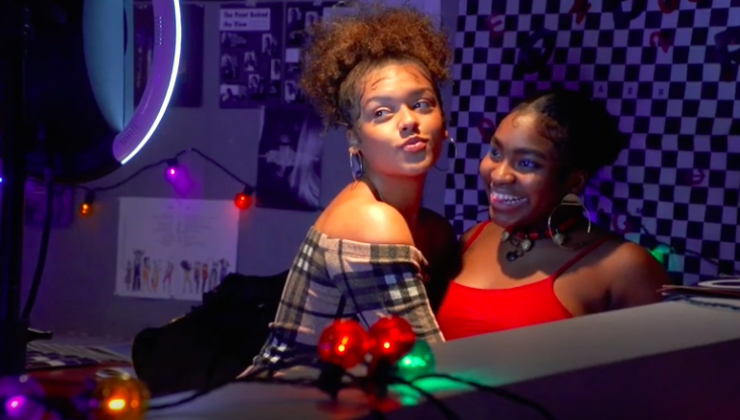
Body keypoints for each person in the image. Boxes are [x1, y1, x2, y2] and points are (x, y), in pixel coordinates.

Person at [246, 5, 458, 372]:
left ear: (443, 122)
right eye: (381, 112)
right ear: (354, 138)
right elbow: (428, 369)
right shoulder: (371, 222)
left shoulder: (431, 227)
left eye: (422, 104)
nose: (408, 121)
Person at [436, 88, 669, 340]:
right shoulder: (472, 238)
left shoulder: (627, 267)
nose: (499, 175)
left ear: (574, 182)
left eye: (527, 163)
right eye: (495, 152)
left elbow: (663, 372)